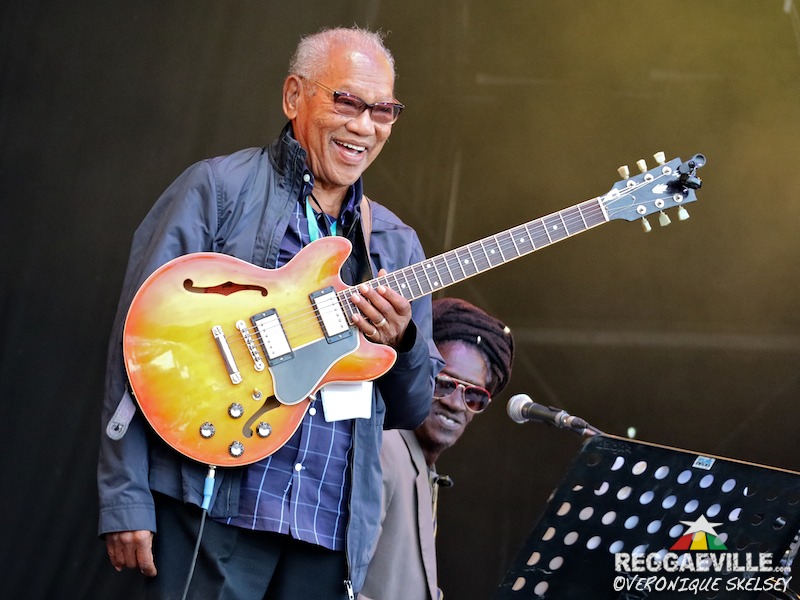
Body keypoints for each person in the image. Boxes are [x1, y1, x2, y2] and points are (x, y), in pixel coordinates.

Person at [98, 27, 443, 599]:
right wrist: (124, 495)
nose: (365, 125)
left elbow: (411, 408)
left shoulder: (395, 246)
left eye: (383, 110)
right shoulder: (219, 189)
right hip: (214, 502)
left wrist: (403, 342)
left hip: (327, 530)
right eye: (347, 101)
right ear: (293, 98)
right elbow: (136, 345)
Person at [359, 297, 515, 600]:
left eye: (474, 396)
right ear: (419, 375)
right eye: (444, 383)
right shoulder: (385, 449)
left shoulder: (420, 468)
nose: (455, 403)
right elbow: (342, 582)